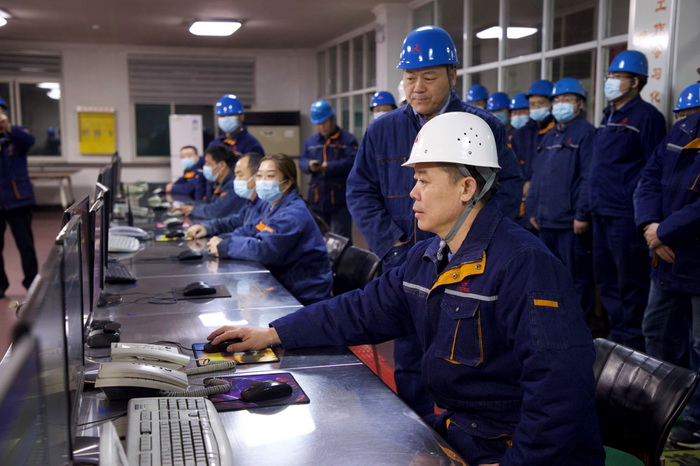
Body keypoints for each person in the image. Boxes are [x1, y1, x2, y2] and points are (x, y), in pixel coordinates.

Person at [208, 112, 604, 465]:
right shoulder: (429, 256)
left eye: (423, 180)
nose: (412, 192)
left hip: (512, 446)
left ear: (467, 188)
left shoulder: (524, 265)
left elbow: (559, 392)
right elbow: (361, 309)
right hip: (467, 432)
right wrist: (274, 332)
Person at [346, 25, 523, 418]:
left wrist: (472, 245)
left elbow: (507, 189)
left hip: (470, 267)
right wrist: (392, 245)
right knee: (410, 361)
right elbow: (359, 190)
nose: (418, 88)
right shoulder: (383, 130)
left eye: (429, 77)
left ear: (452, 76)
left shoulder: (481, 126)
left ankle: (465, 436)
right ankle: (419, 437)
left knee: (472, 357)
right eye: (410, 78)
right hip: (407, 262)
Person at [633, 82, 700, 447]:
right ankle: (662, 405)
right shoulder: (682, 130)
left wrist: (664, 231)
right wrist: (650, 226)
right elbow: (648, 180)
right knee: (656, 330)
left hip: (691, 255)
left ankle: (697, 419)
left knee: (699, 344)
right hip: (666, 255)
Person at [590, 50, 666, 351]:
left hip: (625, 215)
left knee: (630, 284)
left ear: (635, 82)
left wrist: (648, 215)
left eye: (617, 77)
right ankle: (616, 342)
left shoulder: (648, 117)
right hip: (600, 210)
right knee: (607, 280)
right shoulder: (607, 115)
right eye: (609, 76)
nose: (610, 81)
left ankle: (633, 346)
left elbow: (654, 171)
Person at [208, 153, 332, 305]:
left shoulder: (291, 214)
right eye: (259, 176)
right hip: (285, 283)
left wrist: (225, 246)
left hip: (303, 294)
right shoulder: (273, 206)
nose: (262, 181)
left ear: (287, 183)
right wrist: (223, 239)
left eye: (270, 176)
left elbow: (263, 249)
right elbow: (252, 230)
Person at [526, 78, 595, 322]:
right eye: (557, 100)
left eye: (567, 99)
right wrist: (532, 210)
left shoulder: (587, 133)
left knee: (576, 278)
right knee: (549, 277)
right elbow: (537, 176)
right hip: (545, 222)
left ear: (580, 104)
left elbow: (589, 177)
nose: (560, 104)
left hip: (570, 223)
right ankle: (556, 324)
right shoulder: (549, 136)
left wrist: (582, 214)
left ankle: (579, 326)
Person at [299, 100, 358, 239]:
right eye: (318, 124)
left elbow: (353, 162)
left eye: (324, 122)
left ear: (333, 119)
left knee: (341, 240)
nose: (321, 127)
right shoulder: (311, 142)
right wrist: (309, 165)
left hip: (339, 198)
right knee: (317, 237)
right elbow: (302, 160)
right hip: (317, 198)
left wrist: (328, 166)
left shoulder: (347, 140)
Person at [0, 96, 39, 296]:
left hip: (18, 199)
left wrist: (8, 128)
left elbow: (29, 141)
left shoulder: (18, 133)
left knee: (26, 246)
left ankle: (32, 283)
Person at [511, 80, 556, 234]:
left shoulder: (558, 133)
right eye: (532, 104)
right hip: (523, 206)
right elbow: (512, 167)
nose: (536, 108)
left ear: (551, 104)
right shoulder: (521, 135)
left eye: (541, 103)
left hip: (551, 207)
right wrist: (523, 183)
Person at [186, 153, 266, 238]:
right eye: (236, 176)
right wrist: (206, 227)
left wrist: (224, 240)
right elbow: (233, 222)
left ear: (257, 177)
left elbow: (252, 235)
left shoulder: (266, 206)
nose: (236, 180)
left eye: (240, 175)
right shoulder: (251, 204)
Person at [173, 144, 244, 219]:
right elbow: (211, 202)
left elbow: (216, 211)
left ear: (222, 165)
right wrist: (191, 205)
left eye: (208, 163)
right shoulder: (220, 183)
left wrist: (193, 210)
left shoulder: (234, 185)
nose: (205, 166)